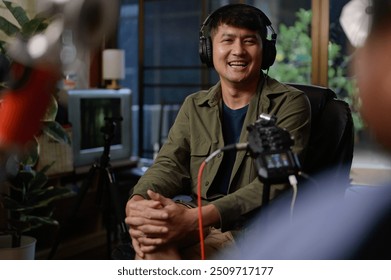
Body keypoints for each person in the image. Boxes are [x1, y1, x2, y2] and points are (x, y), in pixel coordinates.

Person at [125, 3, 311, 260]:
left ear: (266, 51)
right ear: (209, 49)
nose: (238, 51)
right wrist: (137, 200)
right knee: (151, 238)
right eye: (228, 40)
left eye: (249, 41)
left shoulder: (290, 102)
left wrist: (195, 218)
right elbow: (169, 163)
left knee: (153, 247)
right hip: (195, 212)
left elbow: (277, 181)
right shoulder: (194, 104)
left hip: (250, 227)